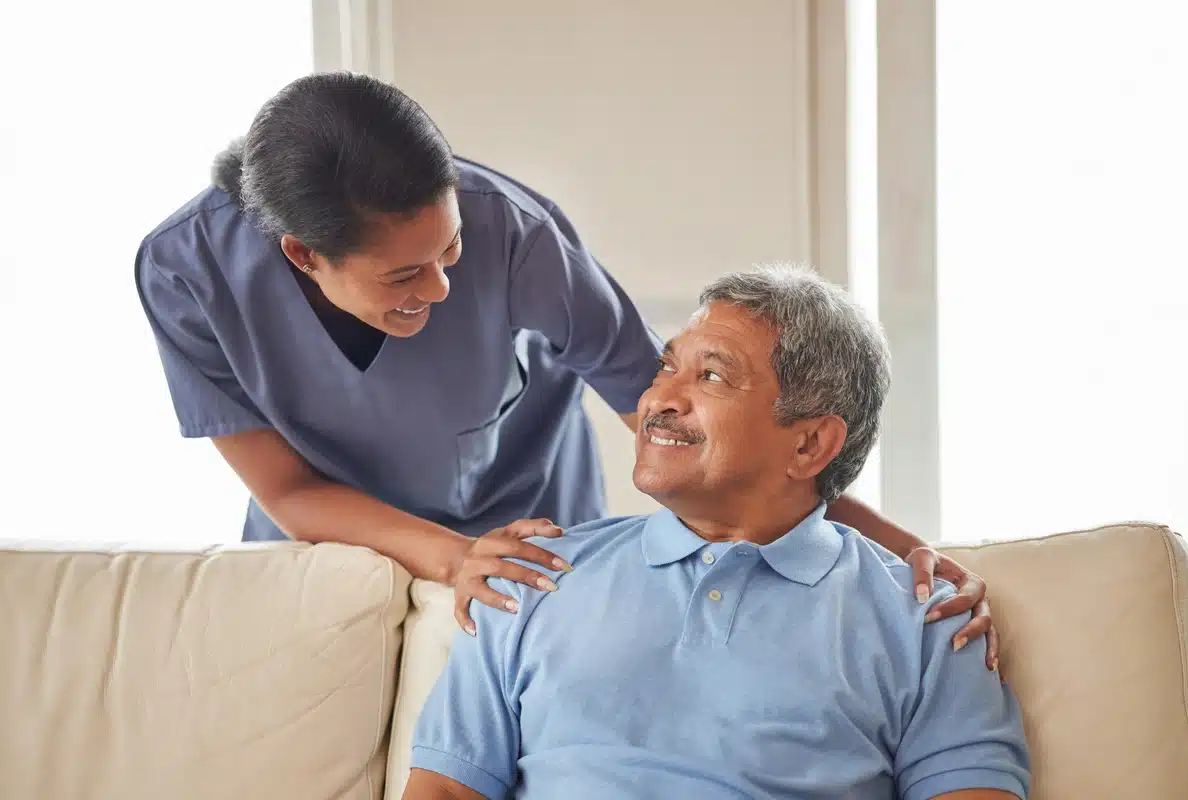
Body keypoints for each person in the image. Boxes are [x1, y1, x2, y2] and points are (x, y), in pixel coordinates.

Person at [135, 71, 996, 667]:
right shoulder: (186, 271)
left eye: (451, 250)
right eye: (403, 274)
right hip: (327, 543)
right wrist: (450, 556)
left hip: (523, 541)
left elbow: (706, 440)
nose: (441, 285)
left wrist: (909, 551)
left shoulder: (514, 231)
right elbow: (286, 492)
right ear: (302, 253)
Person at [406, 265, 1030, 800]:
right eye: (666, 366)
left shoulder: (930, 620)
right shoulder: (529, 574)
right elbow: (443, 788)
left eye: (711, 377)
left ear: (810, 443)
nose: (657, 399)